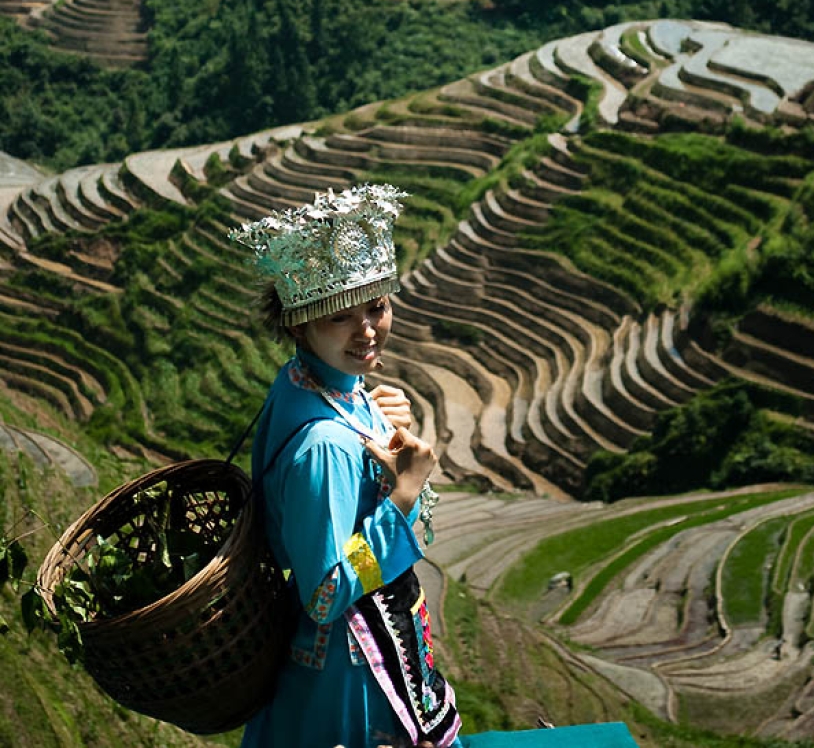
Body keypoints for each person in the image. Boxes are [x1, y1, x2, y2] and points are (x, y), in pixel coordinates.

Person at [230, 184, 639, 748]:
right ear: (300, 326)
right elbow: (325, 594)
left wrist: (374, 413)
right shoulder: (321, 446)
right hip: (354, 669)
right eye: (340, 318)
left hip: (376, 638)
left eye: (376, 307)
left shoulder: (315, 385)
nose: (366, 330)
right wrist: (405, 493)